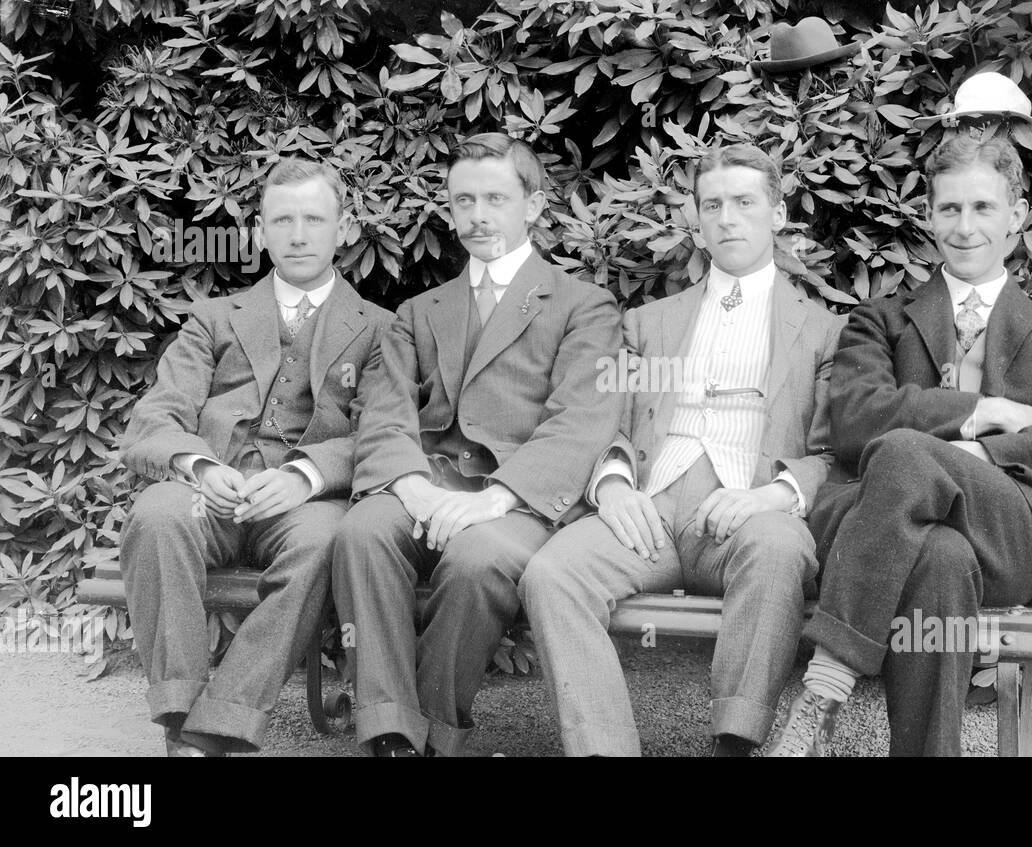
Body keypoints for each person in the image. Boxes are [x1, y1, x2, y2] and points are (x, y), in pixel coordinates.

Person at [765, 134, 1032, 756]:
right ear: (928, 215)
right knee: (940, 558)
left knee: (904, 450)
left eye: (983, 208)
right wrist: (983, 413)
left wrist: (968, 457)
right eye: (949, 209)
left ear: (1017, 217)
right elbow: (850, 420)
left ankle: (824, 685)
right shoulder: (880, 320)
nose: (965, 225)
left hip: (1010, 532)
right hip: (894, 530)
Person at [519, 144, 844, 757]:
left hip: (750, 514)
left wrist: (771, 495)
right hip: (650, 510)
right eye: (712, 205)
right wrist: (612, 484)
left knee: (778, 548)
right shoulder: (648, 324)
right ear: (696, 218)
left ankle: (736, 743)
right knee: (552, 571)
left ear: (778, 213)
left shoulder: (824, 330)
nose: (727, 219)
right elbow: (602, 423)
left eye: (745, 203)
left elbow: (834, 453)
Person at [331, 132, 623, 757]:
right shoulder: (418, 310)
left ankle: (435, 732)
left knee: (475, 560)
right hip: (425, 483)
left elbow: (581, 420)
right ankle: (389, 732)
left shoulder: (583, 305)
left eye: (496, 198)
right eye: (464, 201)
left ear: (535, 205)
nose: (479, 216)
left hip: (517, 500)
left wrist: (493, 500)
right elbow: (384, 408)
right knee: (362, 532)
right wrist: (409, 484)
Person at [118, 157, 394, 756]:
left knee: (328, 542)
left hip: (305, 506)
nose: (298, 235)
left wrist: (305, 474)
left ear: (343, 228)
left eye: (314, 219)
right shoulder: (212, 319)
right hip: (208, 498)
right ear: (260, 231)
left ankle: (223, 725)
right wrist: (200, 465)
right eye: (282, 220)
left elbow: (383, 435)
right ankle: (180, 718)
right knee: (158, 515)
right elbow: (156, 418)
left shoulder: (380, 330)